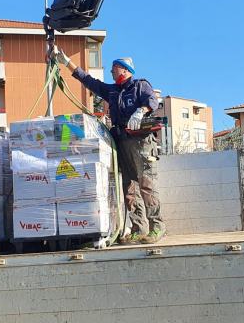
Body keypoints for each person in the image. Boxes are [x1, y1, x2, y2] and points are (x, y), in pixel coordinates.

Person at [52, 46, 165, 244]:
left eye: (114, 68)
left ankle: (157, 226)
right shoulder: (113, 91)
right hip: (121, 142)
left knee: (146, 184)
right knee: (128, 188)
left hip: (140, 141)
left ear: (125, 70)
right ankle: (139, 229)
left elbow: (152, 101)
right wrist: (67, 62)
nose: (111, 71)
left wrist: (141, 111)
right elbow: (89, 81)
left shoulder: (140, 85)